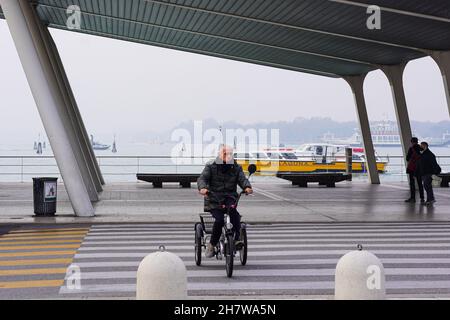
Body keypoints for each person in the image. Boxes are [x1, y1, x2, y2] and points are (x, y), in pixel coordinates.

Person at [197, 145, 253, 258]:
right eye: (225, 153)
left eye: (230, 153)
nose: (228, 155)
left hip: (230, 198)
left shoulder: (236, 167)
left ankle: (237, 240)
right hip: (214, 199)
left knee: (235, 215)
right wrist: (203, 188)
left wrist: (247, 187)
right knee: (219, 220)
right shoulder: (211, 167)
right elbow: (202, 178)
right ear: (219, 154)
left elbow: (242, 179)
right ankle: (212, 245)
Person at [405, 137, 424, 203]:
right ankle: (422, 198)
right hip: (419, 168)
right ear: (417, 141)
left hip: (412, 169)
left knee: (412, 183)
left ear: (412, 142)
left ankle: (413, 198)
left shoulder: (411, 149)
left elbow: (407, 158)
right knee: (420, 183)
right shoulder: (421, 149)